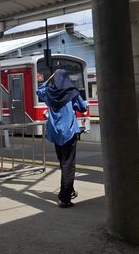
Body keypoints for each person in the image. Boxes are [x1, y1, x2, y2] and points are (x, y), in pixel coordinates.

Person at [36, 69, 87, 208]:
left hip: (56, 134)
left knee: (63, 163)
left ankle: (68, 190)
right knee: (68, 166)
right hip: (69, 133)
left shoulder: (50, 93)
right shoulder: (72, 93)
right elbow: (83, 108)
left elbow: (39, 90)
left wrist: (49, 79)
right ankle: (64, 199)